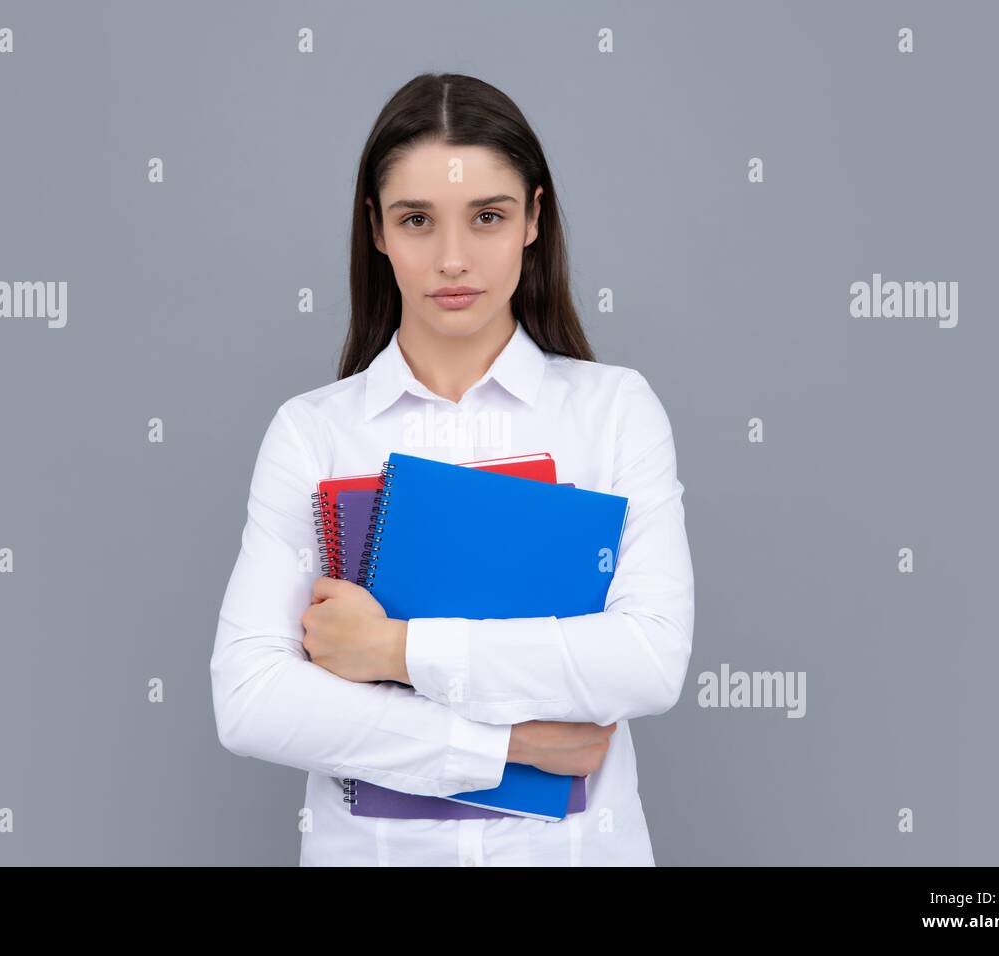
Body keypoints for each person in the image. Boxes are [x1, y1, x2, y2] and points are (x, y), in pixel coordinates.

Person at [210, 72, 694, 866]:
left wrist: (394, 650)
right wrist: (509, 748)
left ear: (534, 217)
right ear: (376, 229)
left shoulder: (613, 412)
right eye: (417, 220)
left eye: (489, 217)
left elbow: (646, 662)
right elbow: (252, 701)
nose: (453, 259)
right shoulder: (313, 433)